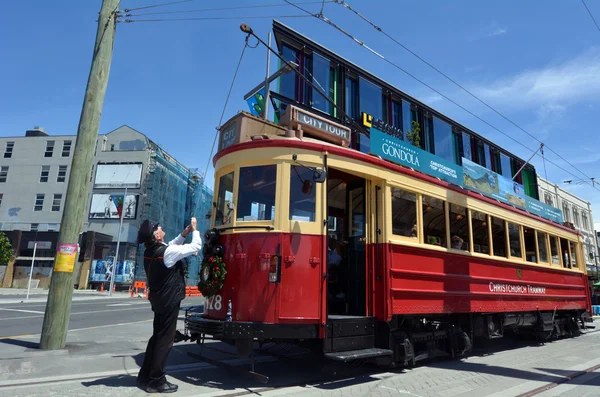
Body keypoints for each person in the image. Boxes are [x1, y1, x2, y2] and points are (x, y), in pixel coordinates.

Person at [136, 217, 202, 393]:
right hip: (169, 301)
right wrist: (195, 230)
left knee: (157, 337)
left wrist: (183, 234)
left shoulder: (151, 250)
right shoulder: (166, 252)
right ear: (156, 235)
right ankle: (156, 380)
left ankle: (145, 375)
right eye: (158, 227)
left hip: (159, 300)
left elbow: (170, 246)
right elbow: (195, 247)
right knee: (165, 341)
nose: (161, 227)